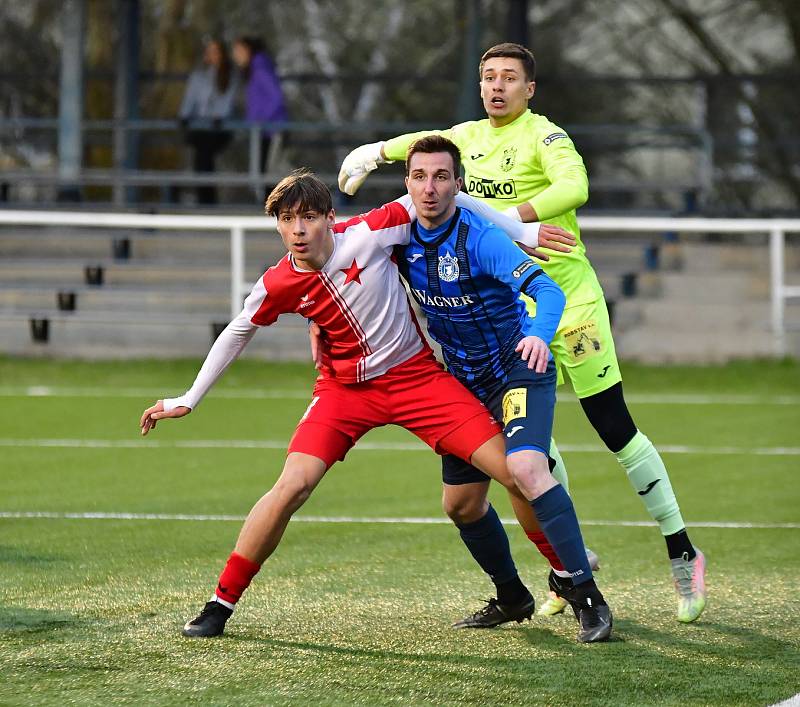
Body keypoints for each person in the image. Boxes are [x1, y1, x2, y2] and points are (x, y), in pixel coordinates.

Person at [139, 169, 612, 643]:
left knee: (516, 473)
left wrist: (522, 231)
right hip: (343, 394)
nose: (298, 230)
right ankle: (220, 604)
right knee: (291, 486)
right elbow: (238, 330)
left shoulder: (371, 231)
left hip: (417, 380)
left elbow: (455, 200)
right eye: (286, 219)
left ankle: (568, 575)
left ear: (329, 217)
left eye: (308, 217)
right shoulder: (278, 282)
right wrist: (189, 398)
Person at [337, 42, 706, 623]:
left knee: (612, 426)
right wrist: (374, 152)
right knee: (530, 451)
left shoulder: (546, 136)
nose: (497, 87)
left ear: (529, 89)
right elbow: (422, 149)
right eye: (488, 78)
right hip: (513, 310)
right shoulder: (465, 139)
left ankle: (681, 546)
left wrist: (513, 222)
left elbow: (574, 189)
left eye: (509, 78)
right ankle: (565, 567)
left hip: (568, 298)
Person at [178, 38, 237, 205]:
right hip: (200, 128)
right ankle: (205, 197)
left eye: (215, 51)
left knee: (204, 154)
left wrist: (219, 117)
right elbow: (190, 100)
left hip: (219, 128)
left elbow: (227, 102)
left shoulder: (229, 77)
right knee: (202, 155)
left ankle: (206, 198)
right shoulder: (198, 76)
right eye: (209, 51)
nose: (212, 55)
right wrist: (184, 116)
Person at [232, 37, 288, 181]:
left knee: (270, 175)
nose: (235, 55)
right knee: (265, 175)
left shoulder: (260, 69)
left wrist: (260, 120)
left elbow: (276, 97)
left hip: (272, 130)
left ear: (248, 50)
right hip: (263, 132)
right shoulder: (254, 70)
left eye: (239, 50)